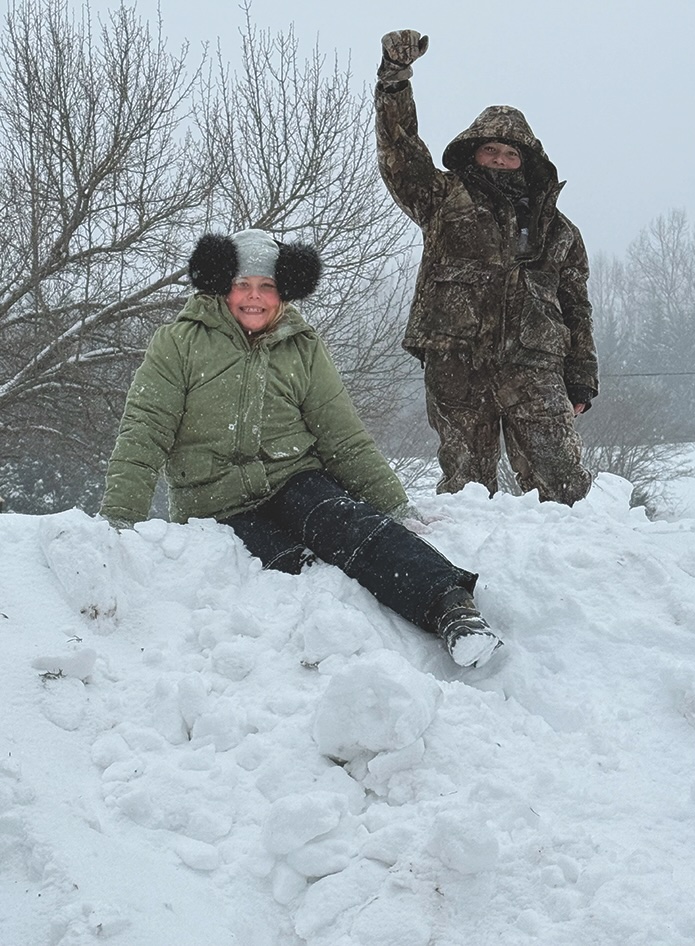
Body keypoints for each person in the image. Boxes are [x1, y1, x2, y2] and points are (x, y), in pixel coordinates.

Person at [99, 228, 504, 668]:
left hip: (295, 480)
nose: (254, 297)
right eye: (242, 284)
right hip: (214, 501)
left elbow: (342, 436)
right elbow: (144, 431)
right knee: (291, 569)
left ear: (285, 290)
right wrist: (120, 518)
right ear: (221, 285)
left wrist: (394, 504)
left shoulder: (302, 346)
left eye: (267, 286)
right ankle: (332, 653)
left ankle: (451, 607)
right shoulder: (180, 343)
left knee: (352, 527)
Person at [375, 30, 599, 506]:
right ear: (473, 153)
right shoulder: (442, 198)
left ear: (526, 162)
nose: (500, 159)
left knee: (564, 486)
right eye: (490, 150)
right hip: (456, 358)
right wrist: (395, 80)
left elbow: (576, 306)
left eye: (511, 153)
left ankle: (572, 554)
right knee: (467, 489)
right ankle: (469, 555)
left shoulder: (559, 230)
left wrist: (582, 374)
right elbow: (401, 152)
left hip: (535, 364)